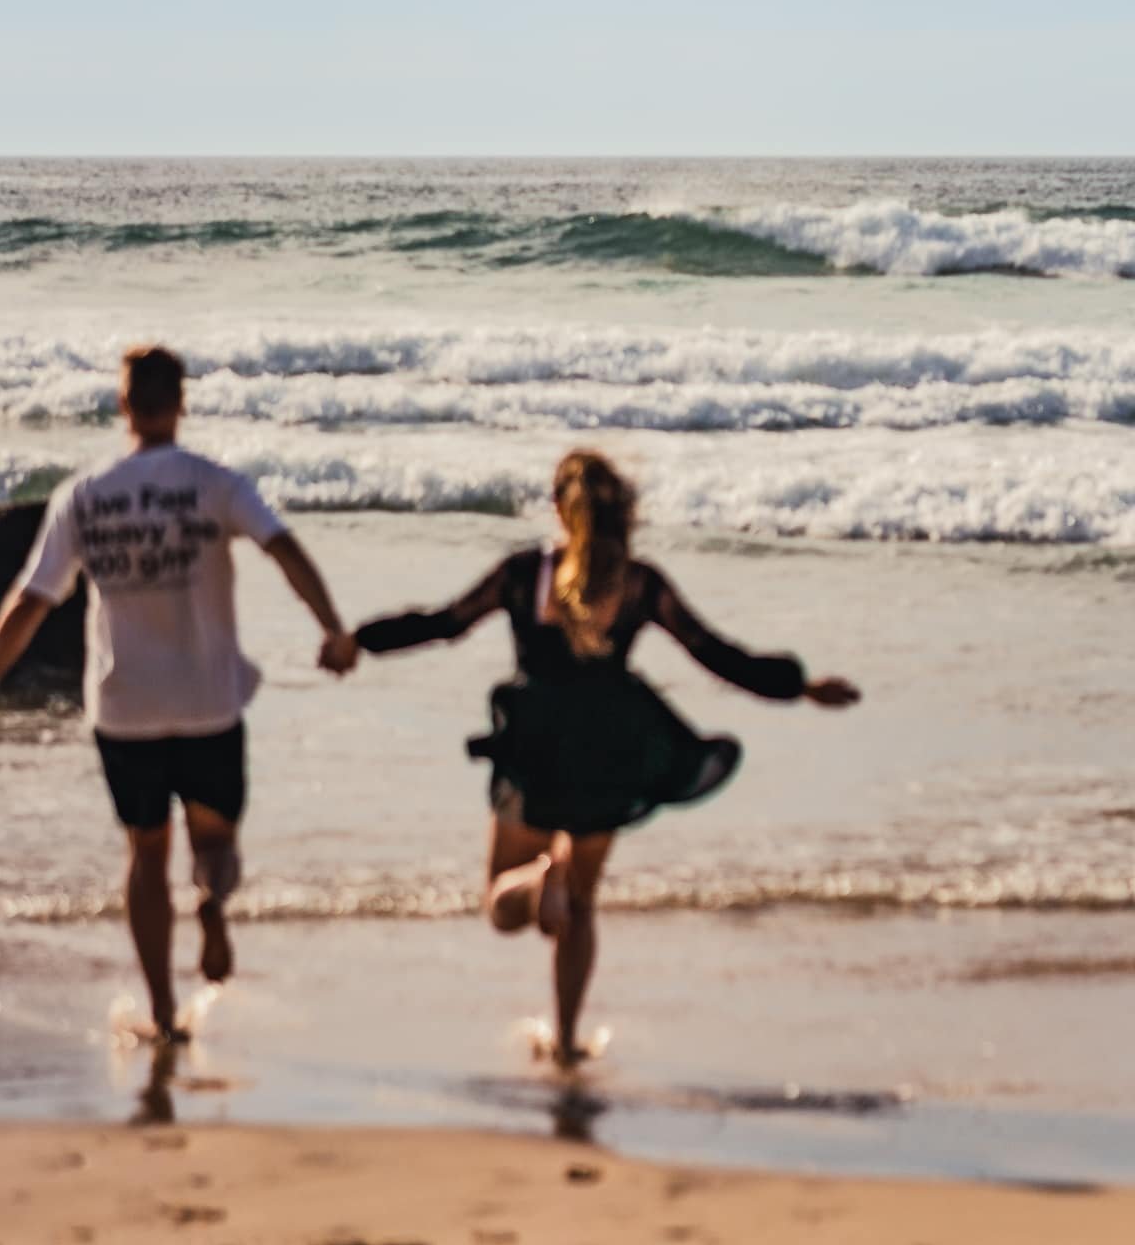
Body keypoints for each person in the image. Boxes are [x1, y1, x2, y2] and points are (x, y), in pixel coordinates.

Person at [320, 449, 859, 1066]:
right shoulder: (640, 584)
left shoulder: (523, 575)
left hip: (534, 748)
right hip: (610, 751)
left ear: (558, 508)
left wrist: (359, 640)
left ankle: (537, 881)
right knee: (581, 905)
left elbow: (443, 623)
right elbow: (716, 653)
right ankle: (569, 1041)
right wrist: (799, 686)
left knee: (500, 902)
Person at [0, 343, 348, 1042]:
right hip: (207, 701)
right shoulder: (217, 484)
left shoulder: (85, 493)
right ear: (183, 401)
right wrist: (332, 627)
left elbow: (33, 597)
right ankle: (213, 909)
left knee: (144, 851)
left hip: (124, 705)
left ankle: (164, 1012)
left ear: (123, 404)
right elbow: (282, 547)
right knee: (216, 838)